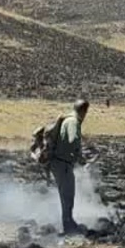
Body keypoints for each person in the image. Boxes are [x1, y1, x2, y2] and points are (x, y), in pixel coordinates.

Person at [50, 99, 89, 234]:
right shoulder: (73, 122)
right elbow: (72, 140)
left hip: (59, 163)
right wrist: (80, 156)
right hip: (63, 164)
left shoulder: (67, 120)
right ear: (84, 111)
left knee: (65, 194)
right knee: (67, 195)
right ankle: (68, 225)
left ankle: (68, 221)